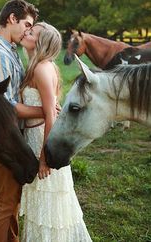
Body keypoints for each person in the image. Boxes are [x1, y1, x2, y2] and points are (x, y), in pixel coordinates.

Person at [19, 22, 93, 242]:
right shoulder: (38, 65)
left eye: (32, 32)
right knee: (44, 207)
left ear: (41, 42)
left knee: (50, 206)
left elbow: (51, 115)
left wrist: (45, 159)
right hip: (34, 137)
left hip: (43, 140)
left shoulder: (42, 69)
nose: (26, 32)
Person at [0, 0, 43, 242]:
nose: (28, 31)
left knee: (13, 200)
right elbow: (8, 107)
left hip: (14, 135)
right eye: (26, 25)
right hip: (6, 138)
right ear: (12, 19)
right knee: (5, 203)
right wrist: (45, 111)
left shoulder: (9, 51)